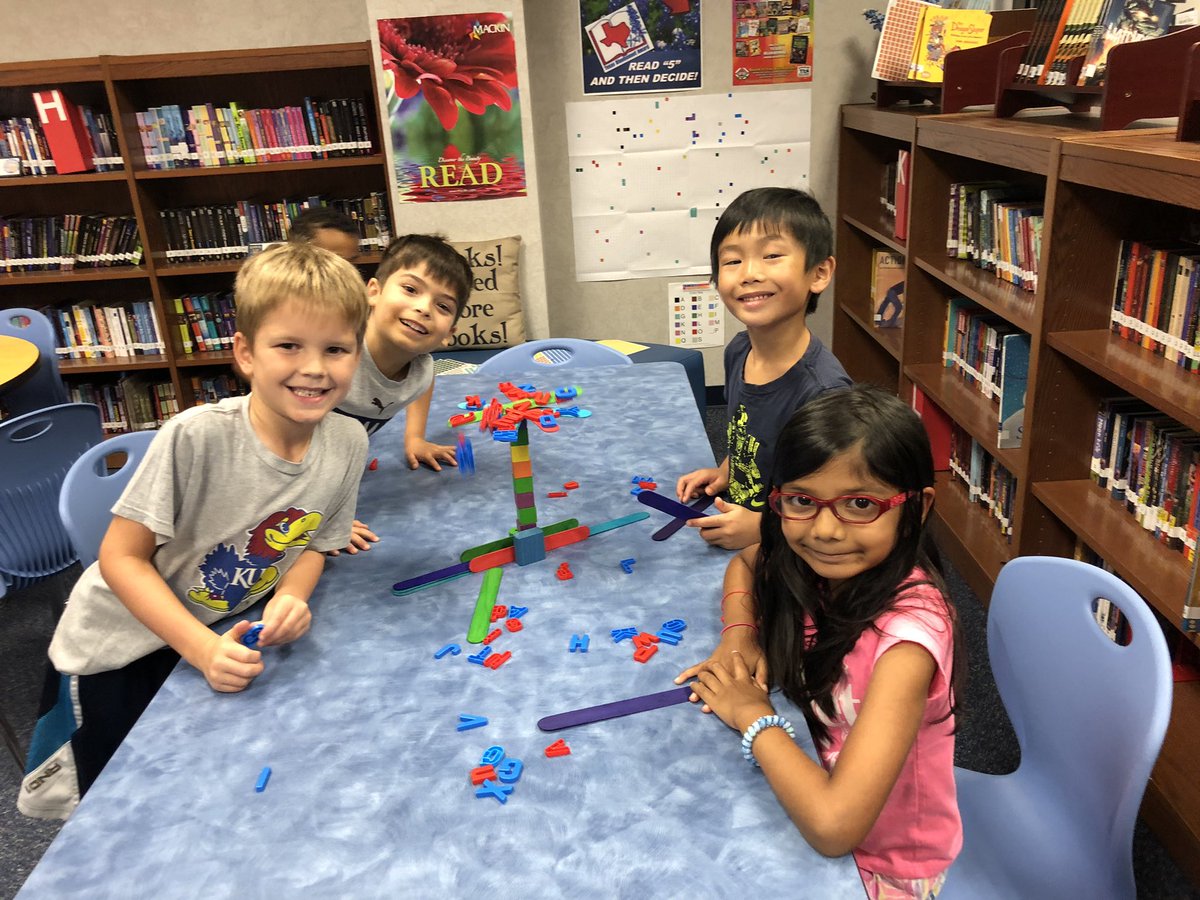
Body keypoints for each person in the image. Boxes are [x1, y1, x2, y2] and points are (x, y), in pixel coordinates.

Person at [19, 242, 371, 820]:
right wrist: (200, 647)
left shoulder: (348, 442)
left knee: (193, 791)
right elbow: (121, 559)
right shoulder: (197, 436)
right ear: (246, 354)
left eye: (336, 349)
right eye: (288, 346)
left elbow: (312, 543)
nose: (314, 368)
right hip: (120, 648)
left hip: (215, 633)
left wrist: (291, 595)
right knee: (114, 802)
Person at [675, 385, 964, 900]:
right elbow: (745, 564)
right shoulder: (810, 558)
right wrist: (740, 635)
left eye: (860, 504)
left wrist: (751, 715)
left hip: (882, 866)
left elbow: (835, 828)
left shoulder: (907, 646)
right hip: (809, 777)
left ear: (916, 509)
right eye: (802, 500)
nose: (826, 529)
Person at [676, 187, 850, 550]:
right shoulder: (739, 350)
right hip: (741, 530)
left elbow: (833, 510)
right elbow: (750, 436)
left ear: (819, 273)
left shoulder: (825, 395)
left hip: (793, 554)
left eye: (772, 255)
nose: (749, 273)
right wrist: (726, 472)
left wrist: (763, 529)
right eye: (732, 261)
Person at [328, 232, 473, 554]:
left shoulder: (421, 367)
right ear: (374, 292)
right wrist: (321, 519)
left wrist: (415, 438)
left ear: (449, 333)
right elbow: (285, 442)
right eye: (410, 289)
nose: (423, 308)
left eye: (443, 305)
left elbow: (423, 379)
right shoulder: (333, 351)